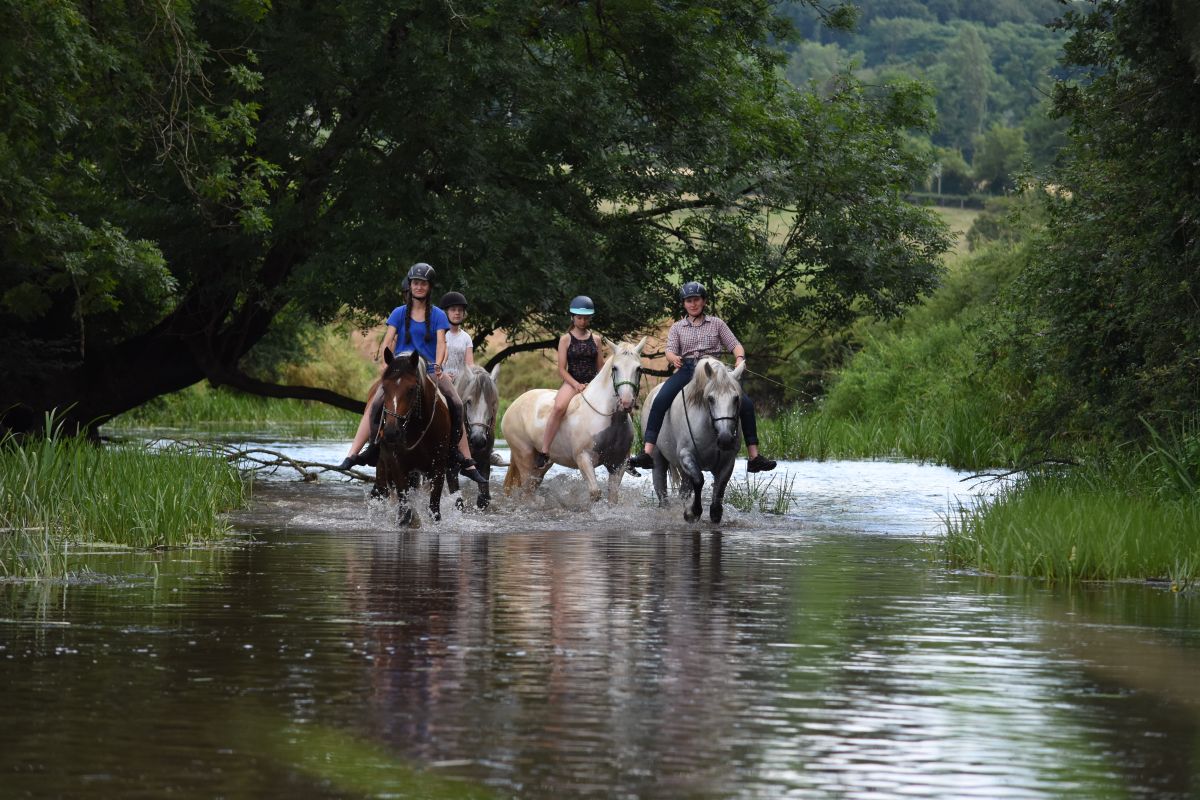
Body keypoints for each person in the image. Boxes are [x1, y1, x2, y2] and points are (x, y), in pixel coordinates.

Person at [339, 263, 486, 485]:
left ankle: (464, 459)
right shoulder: (399, 313)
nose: (419, 287)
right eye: (415, 283)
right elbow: (388, 341)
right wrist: (384, 363)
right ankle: (362, 451)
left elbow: (441, 343)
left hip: (428, 368)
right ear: (411, 285)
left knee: (455, 402)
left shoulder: (437, 314)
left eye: (423, 284)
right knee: (376, 402)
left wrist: (438, 363)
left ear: (429, 287)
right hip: (401, 368)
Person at [627, 281, 776, 473]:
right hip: (688, 369)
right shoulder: (678, 327)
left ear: (703, 301)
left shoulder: (717, 324)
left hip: (714, 371)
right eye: (689, 301)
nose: (693, 304)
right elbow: (670, 351)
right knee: (661, 399)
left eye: (696, 300)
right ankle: (647, 452)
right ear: (684, 304)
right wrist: (674, 358)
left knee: (745, 403)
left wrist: (739, 358)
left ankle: (754, 456)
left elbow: (735, 345)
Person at [533, 295, 605, 469]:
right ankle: (544, 450)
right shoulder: (565, 339)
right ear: (572, 317)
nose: (582, 321)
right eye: (579, 318)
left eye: (586, 318)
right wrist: (576, 385)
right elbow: (561, 369)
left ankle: (625, 455)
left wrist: (596, 385)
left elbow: (601, 367)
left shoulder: (596, 339)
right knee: (558, 408)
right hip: (572, 381)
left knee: (620, 407)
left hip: (593, 383)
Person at [439, 291, 474, 381]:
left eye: (460, 310)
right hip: (441, 379)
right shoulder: (439, 335)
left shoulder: (466, 337)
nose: (457, 312)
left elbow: (469, 364)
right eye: (453, 309)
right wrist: (443, 374)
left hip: (461, 382)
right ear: (446, 312)